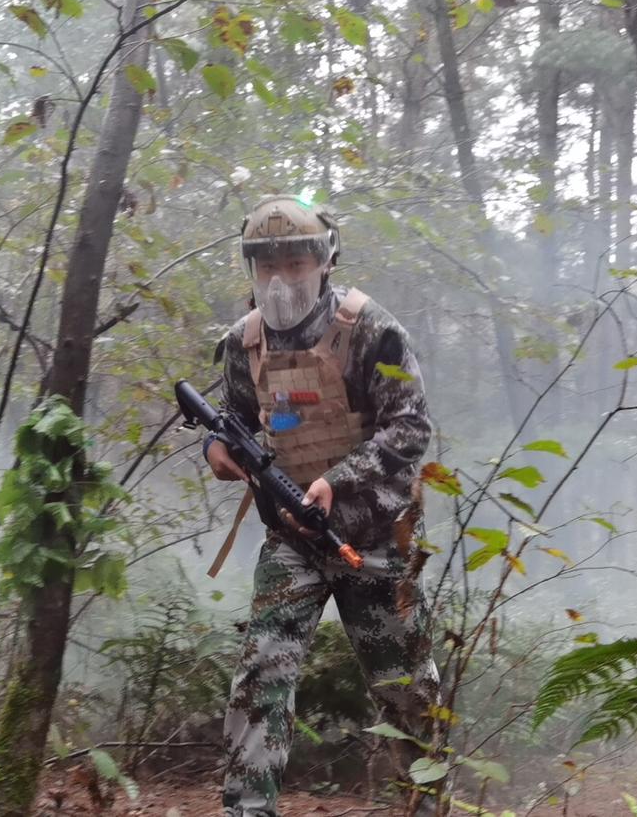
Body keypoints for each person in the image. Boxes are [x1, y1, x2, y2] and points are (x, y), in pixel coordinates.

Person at [203, 194, 441, 817]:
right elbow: (234, 423)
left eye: (295, 263)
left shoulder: (371, 331)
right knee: (261, 678)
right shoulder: (242, 344)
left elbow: (410, 429)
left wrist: (339, 479)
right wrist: (217, 450)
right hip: (292, 539)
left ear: (326, 261)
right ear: (251, 270)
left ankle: (421, 806)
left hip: (375, 538)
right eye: (267, 266)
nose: (281, 279)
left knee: (409, 691)